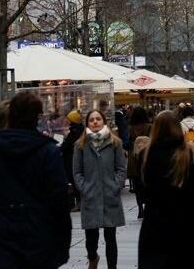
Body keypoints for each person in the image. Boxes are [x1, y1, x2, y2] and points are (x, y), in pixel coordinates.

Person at [0, 91, 71, 269]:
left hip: (2, 236)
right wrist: (63, 241)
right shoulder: (48, 152)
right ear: (37, 117)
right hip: (40, 235)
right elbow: (59, 200)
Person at [138, 111, 194, 269]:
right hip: (186, 228)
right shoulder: (187, 155)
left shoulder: (148, 155)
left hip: (156, 228)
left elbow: (143, 192)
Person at [73, 109, 127, 269]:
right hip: (90, 196)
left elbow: (121, 168)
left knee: (111, 237)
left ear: (104, 122)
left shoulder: (115, 143)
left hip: (110, 195)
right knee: (91, 239)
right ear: (87, 124)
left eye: (98, 119)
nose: (95, 122)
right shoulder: (80, 145)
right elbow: (76, 172)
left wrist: (116, 185)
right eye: (91, 120)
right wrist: (84, 188)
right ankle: (93, 257)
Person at [127, 106, 151, 217]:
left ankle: (140, 207)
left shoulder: (131, 128)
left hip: (134, 159)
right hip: (147, 158)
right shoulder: (149, 127)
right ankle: (146, 206)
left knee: (137, 185)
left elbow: (127, 143)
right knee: (146, 184)